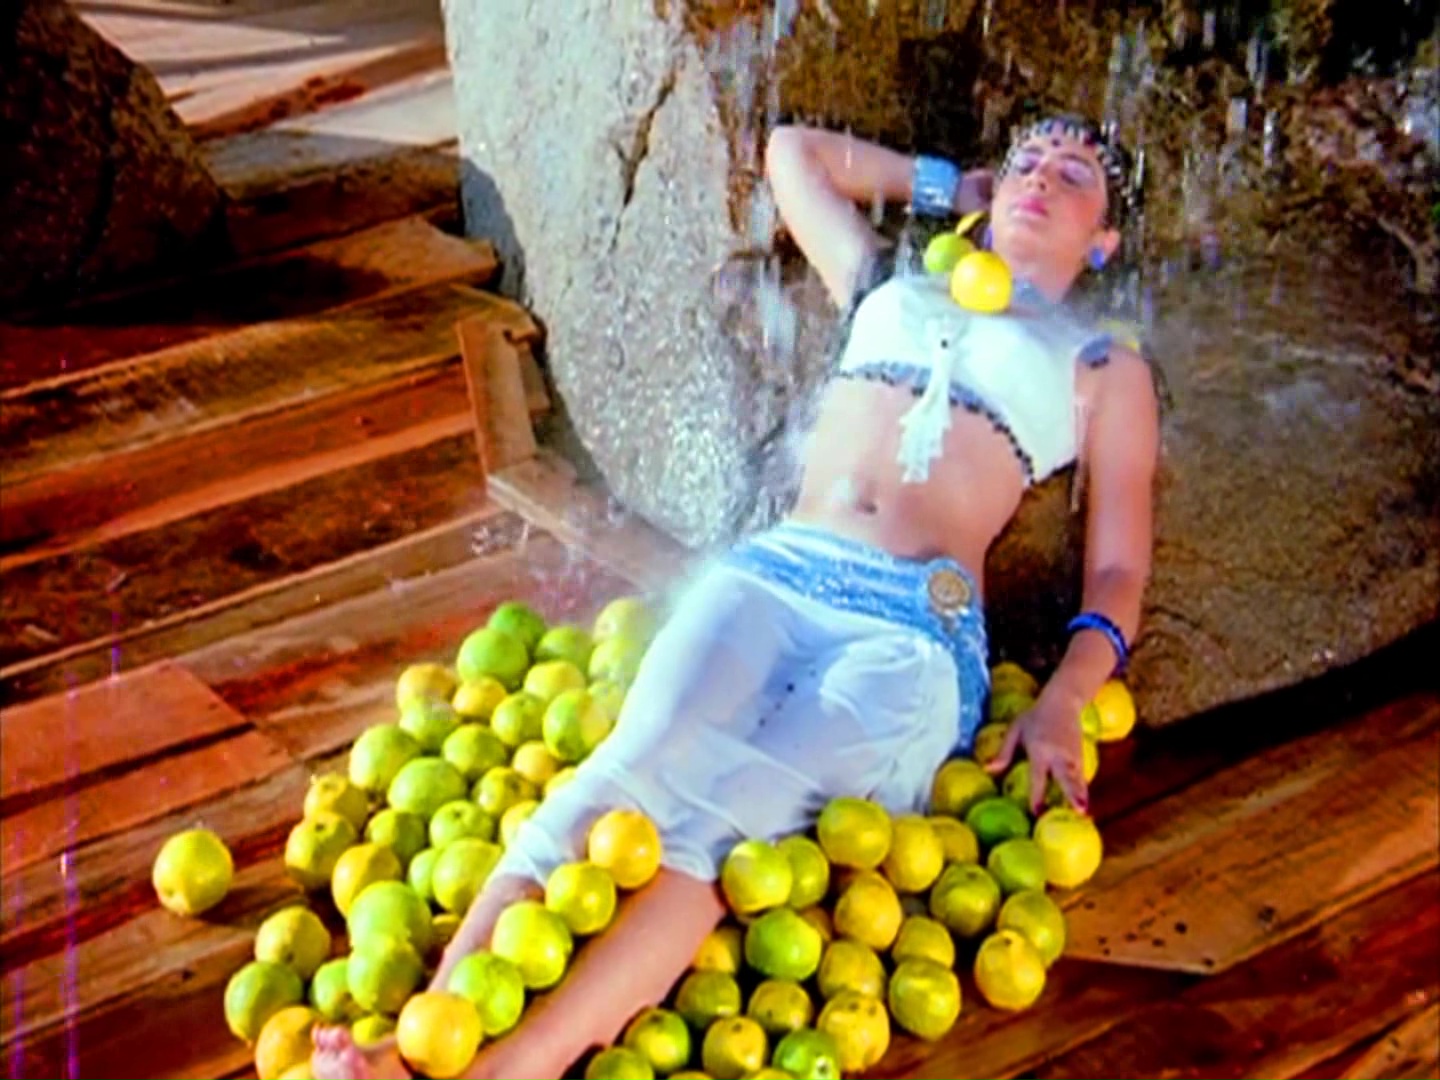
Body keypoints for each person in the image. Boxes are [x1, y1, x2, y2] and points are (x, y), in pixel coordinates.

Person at [313, 112, 1161, 1080]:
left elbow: (1118, 574)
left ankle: (507, 1074)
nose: (1040, 179)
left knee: (729, 820)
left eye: (1073, 175)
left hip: (911, 631)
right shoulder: (891, 286)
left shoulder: (1103, 367)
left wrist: (1062, 703)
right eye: (1024, 163)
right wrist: (944, 184)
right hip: (778, 572)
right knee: (623, 768)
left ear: (1104, 240)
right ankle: (418, 1044)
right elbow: (793, 155)